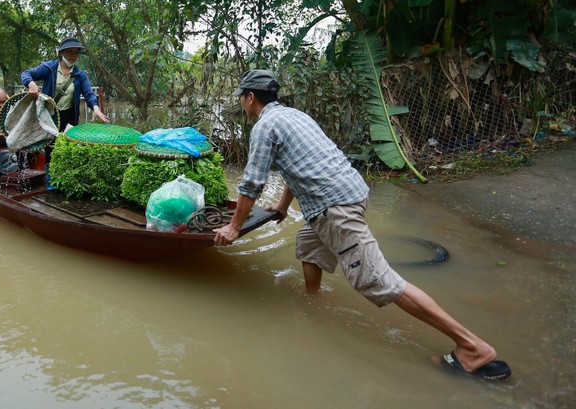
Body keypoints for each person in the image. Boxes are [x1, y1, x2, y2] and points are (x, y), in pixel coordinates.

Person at [214, 69, 511, 381]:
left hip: (335, 209)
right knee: (308, 243)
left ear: (250, 97)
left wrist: (233, 228)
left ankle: (472, 347)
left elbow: (251, 184)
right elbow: (301, 163)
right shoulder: (294, 116)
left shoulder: (264, 126)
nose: (243, 106)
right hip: (349, 194)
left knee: (381, 282)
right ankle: (313, 301)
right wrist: (283, 205)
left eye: (242, 100)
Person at [20, 37, 109, 131]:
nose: (73, 55)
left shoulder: (80, 75)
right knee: (47, 142)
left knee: (64, 142)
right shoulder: (49, 68)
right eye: (70, 51)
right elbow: (26, 74)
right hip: (48, 115)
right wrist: (31, 84)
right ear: (61, 52)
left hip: (69, 118)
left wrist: (96, 108)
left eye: (76, 52)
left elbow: (89, 94)